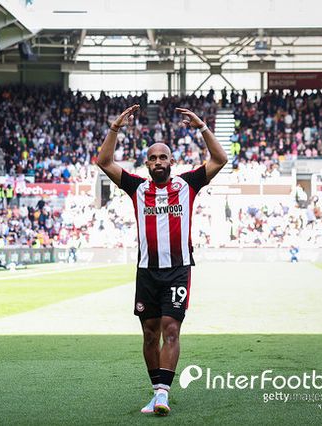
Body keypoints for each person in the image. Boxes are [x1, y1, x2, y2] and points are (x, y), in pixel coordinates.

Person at [96, 104, 227, 416]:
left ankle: (163, 394)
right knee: (150, 334)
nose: (158, 162)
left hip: (178, 270)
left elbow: (220, 159)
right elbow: (103, 161)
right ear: (147, 163)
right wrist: (115, 128)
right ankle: (157, 392)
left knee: (170, 330)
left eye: (163, 157)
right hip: (147, 272)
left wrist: (202, 126)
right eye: (153, 158)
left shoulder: (187, 184)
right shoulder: (137, 188)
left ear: (171, 161)